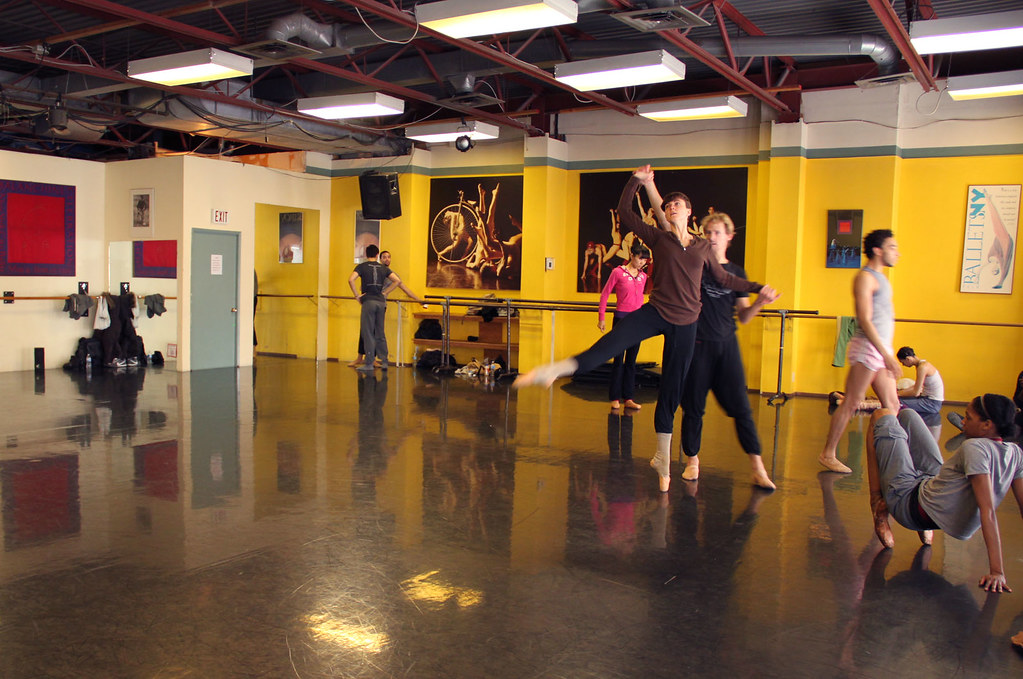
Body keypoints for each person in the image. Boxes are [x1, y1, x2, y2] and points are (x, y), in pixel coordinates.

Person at [515, 165, 777, 493]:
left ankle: (663, 458)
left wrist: (757, 287)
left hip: (686, 324)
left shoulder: (702, 248)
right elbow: (625, 211)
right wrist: (635, 181)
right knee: (612, 343)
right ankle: (556, 370)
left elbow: (725, 279)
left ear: (689, 211)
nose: (672, 208)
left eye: (677, 205)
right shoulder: (659, 237)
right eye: (667, 206)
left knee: (671, 391)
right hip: (655, 312)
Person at [865, 394, 1023, 592]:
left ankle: (878, 504)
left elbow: (988, 511)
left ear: (986, 425)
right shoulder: (1015, 453)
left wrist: (997, 571)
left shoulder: (974, 448)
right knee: (907, 415)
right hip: (930, 495)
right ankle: (923, 511)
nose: (963, 422)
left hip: (906, 503)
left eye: (969, 418)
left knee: (881, 415)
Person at [679, 212, 780, 490]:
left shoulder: (737, 273)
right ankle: (693, 461)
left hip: (726, 347)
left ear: (729, 237)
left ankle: (757, 468)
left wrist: (760, 301)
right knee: (693, 408)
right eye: (708, 232)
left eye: (717, 233)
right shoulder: (696, 267)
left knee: (742, 409)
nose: (712, 237)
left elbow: (745, 316)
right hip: (697, 345)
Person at [820, 229, 902, 473]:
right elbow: (865, 320)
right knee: (852, 402)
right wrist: (886, 355)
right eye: (892, 247)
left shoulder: (882, 278)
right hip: (868, 348)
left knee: (893, 405)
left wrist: (887, 351)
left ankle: (886, 456)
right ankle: (827, 454)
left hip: (881, 347)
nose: (897, 253)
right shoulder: (865, 278)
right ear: (878, 250)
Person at [349, 246, 427, 371]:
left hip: (374, 303)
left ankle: (371, 361)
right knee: (370, 332)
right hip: (378, 302)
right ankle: (369, 358)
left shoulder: (385, 271)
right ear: (379, 257)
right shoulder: (380, 270)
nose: (387, 259)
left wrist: (419, 300)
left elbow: (403, 286)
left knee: (371, 332)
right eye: (384, 257)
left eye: (388, 257)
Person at [597, 241, 650, 411]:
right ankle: (614, 397)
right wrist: (602, 317)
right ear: (632, 256)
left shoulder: (643, 276)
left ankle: (629, 397)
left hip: (638, 321)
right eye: (640, 259)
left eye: (645, 261)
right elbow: (605, 294)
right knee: (618, 360)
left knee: (631, 361)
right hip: (621, 319)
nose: (642, 262)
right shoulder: (617, 272)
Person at [349, 250, 392, 369]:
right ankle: (384, 361)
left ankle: (369, 362)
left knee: (367, 332)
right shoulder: (383, 269)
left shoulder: (362, 266)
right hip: (381, 302)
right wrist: (385, 293)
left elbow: (350, 279)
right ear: (378, 255)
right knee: (380, 332)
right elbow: (398, 281)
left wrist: (357, 295)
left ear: (366, 255)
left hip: (369, 301)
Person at [895, 346, 944, 415]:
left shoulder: (922, 367)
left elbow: (916, 392)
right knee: (897, 398)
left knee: (894, 402)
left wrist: (896, 394)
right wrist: (898, 393)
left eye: (903, 362)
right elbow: (917, 386)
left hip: (932, 404)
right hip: (928, 400)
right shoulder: (921, 365)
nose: (903, 365)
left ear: (908, 359)